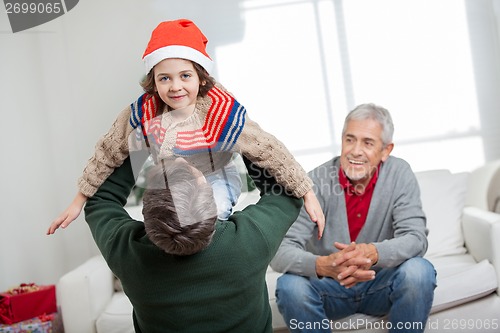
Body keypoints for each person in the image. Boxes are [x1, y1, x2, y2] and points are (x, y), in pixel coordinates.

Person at [47, 19, 324, 235]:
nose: (175, 86)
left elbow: (268, 149)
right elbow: (108, 150)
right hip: (172, 181)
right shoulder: (145, 111)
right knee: (166, 226)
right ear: (153, 81)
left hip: (215, 176)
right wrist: (78, 200)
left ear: (201, 78)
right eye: (164, 78)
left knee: (205, 218)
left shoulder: (219, 111)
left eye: (185, 76)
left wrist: (307, 193)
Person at [84, 151, 304, 332]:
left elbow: (100, 201)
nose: (181, 157)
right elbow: (286, 193)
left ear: (146, 210)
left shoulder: (128, 253)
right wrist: (243, 137)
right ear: (212, 202)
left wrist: (139, 145)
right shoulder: (248, 240)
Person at [270, 103, 437, 333]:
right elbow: (280, 252)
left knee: (419, 271)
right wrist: (324, 266)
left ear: (386, 150)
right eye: (350, 139)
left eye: (368, 143)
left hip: (379, 284)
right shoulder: (315, 181)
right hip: (329, 288)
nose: (355, 151)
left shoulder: (399, 173)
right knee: (289, 286)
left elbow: (416, 238)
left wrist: (373, 252)